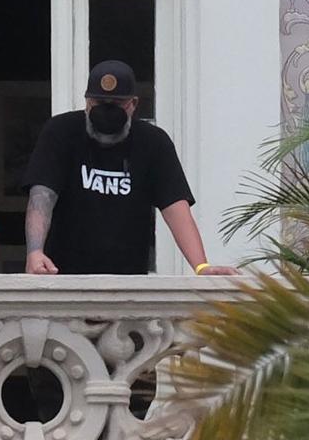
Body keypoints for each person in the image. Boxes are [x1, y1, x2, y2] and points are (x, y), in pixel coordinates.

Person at [22, 59, 237, 277]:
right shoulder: (61, 132)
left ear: (133, 104)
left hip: (128, 282)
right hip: (62, 276)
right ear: (86, 102)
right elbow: (42, 195)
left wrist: (201, 267)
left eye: (115, 104)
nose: (107, 111)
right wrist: (35, 252)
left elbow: (176, 208)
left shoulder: (153, 142)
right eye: (99, 103)